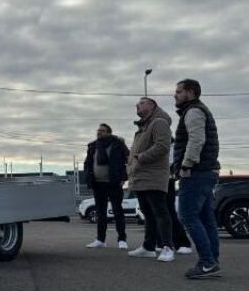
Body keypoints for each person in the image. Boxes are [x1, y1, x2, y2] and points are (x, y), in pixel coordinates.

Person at [173, 79, 221, 279]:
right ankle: (212, 261)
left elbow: (196, 139)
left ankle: (207, 262)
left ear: (190, 92)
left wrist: (186, 165)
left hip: (196, 172)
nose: (174, 95)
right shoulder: (198, 110)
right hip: (205, 171)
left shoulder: (193, 111)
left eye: (178, 91)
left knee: (188, 216)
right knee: (206, 219)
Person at [126, 98, 174, 262]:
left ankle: (167, 247)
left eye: (142, 103)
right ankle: (148, 247)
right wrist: (131, 166)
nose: (137, 105)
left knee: (160, 212)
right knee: (148, 213)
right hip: (141, 176)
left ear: (152, 106)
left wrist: (141, 158)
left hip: (153, 175)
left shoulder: (159, 122)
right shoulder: (143, 127)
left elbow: (162, 146)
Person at [83, 123, 129, 249]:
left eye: (102, 131)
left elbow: (128, 161)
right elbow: (87, 163)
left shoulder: (118, 144)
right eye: (98, 131)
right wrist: (89, 177)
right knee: (101, 212)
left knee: (117, 210)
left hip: (113, 183)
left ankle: (122, 239)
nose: (99, 133)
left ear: (109, 132)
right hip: (98, 184)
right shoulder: (93, 146)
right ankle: (100, 240)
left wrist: (124, 178)